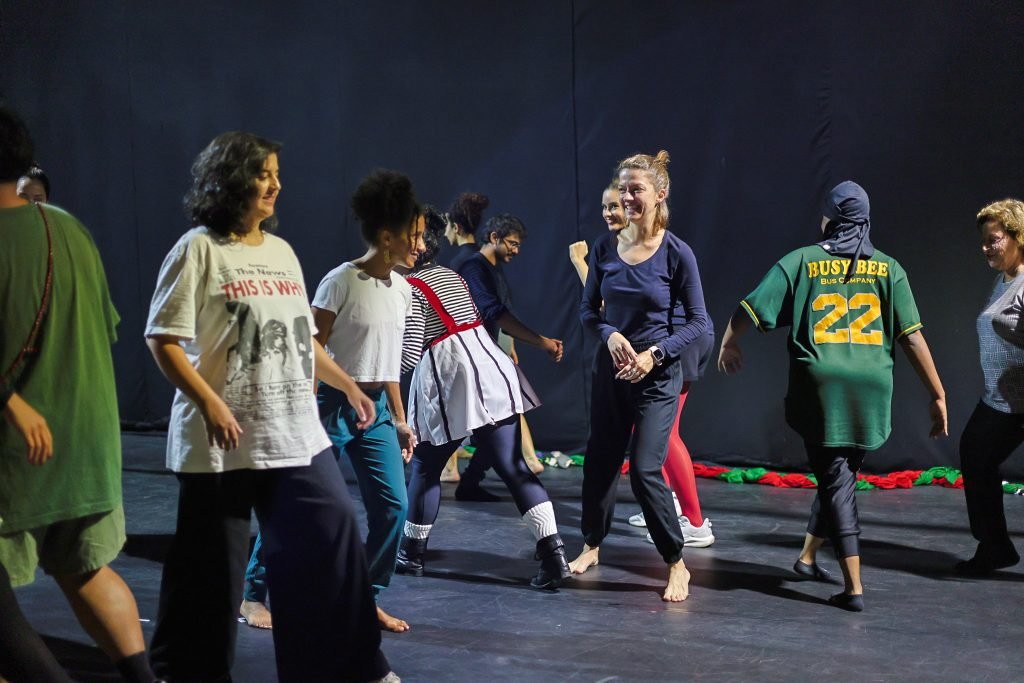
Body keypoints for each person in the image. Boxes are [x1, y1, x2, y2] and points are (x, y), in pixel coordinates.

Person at [145, 131, 397, 682]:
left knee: (331, 537)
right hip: (222, 442)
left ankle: (350, 667)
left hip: (293, 434)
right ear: (231, 179)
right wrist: (209, 403)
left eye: (277, 174)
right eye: (263, 174)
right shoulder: (198, 249)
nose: (276, 185)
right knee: (211, 579)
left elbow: (303, 339)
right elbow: (162, 339)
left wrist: (349, 385)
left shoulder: (281, 253)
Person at [717, 180, 947, 612]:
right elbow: (912, 338)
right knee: (838, 471)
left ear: (830, 218)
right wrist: (938, 395)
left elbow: (749, 308)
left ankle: (854, 586)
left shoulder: (800, 261)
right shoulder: (889, 268)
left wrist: (729, 342)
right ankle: (806, 556)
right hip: (872, 387)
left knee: (836, 479)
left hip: (821, 387)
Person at [0, 106, 158, 683]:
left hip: (18, 456)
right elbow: (104, 324)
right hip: (87, 447)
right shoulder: (65, 227)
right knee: (86, 569)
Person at [395, 206, 571, 588]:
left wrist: (373, 371)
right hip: (489, 370)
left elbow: (410, 352)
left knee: (425, 467)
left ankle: (411, 555)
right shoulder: (448, 274)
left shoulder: (410, 288)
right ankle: (554, 554)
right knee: (515, 468)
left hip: (453, 377)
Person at [569, 151, 708, 603]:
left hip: (657, 377)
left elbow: (698, 322)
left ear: (660, 194)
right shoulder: (605, 247)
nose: (627, 198)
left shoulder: (675, 253)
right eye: (623, 189)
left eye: (636, 190)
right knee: (600, 461)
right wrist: (609, 335)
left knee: (646, 468)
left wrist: (654, 355)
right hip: (611, 373)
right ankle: (592, 544)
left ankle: (676, 562)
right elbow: (590, 312)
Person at [306, 169, 422, 633]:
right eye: (413, 237)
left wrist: (399, 418)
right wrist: (329, 399)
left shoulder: (404, 291)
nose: (420, 245)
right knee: (302, 505)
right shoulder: (341, 281)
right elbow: (310, 347)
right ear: (386, 236)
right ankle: (256, 593)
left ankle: (363, 597)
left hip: (374, 414)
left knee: (394, 507)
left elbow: (388, 363)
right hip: (332, 406)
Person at [455, 213, 563, 499]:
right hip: (469, 359)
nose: (516, 251)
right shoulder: (473, 267)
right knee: (490, 427)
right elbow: (494, 312)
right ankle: (463, 482)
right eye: (512, 244)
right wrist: (542, 342)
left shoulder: (492, 268)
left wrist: (509, 346)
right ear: (494, 238)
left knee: (496, 427)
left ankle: (470, 483)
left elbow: (499, 314)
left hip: (486, 356)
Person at [956, 199, 1024, 576]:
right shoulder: (1005, 278)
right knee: (976, 453)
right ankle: (995, 546)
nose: (985, 248)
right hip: (1001, 398)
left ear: (1018, 237)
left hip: (1019, 403)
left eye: (993, 239)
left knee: (978, 453)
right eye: (983, 240)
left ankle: (995, 546)